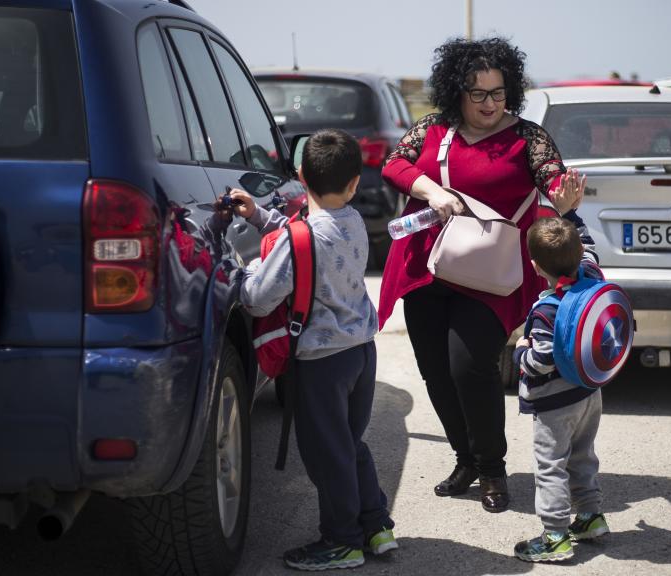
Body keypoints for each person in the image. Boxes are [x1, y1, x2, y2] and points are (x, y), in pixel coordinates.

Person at [377, 37, 587, 513]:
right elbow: (394, 164)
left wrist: (565, 198)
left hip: (490, 274)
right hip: (426, 265)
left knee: (469, 367)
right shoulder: (433, 127)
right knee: (434, 372)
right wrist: (430, 190)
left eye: (497, 92)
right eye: (478, 94)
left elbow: (552, 178)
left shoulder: (527, 137)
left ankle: (493, 470)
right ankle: (465, 458)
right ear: (458, 93)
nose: (490, 103)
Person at [228, 129, 395, 571]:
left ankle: (342, 541)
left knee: (327, 454)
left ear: (301, 177)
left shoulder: (299, 238)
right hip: (361, 351)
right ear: (356, 182)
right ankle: (375, 523)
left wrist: (242, 273)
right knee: (349, 442)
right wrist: (263, 219)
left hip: (321, 363)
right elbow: (306, 236)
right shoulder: (355, 221)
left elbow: (259, 297)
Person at [512, 208, 608, 563]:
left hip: (554, 403)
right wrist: (571, 214)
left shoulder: (547, 310)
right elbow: (589, 247)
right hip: (588, 391)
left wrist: (520, 354)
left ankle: (555, 536)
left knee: (551, 464)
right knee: (583, 455)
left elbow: (541, 361)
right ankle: (589, 517)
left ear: (536, 266)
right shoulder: (592, 277)